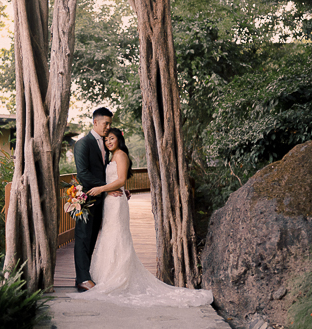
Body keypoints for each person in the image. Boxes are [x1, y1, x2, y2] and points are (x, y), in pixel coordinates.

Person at [70, 127, 213, 307]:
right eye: (107, 140)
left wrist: (102, 189)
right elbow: (115, 181)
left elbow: (121, 180)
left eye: (112, 138)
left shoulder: (121, 155)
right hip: (110, 201)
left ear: (119, 140)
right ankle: (105, 275)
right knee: (108, 235)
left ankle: (119, 276)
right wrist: (115, 189)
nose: (109, 142)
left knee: (117, 235)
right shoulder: (110, 157)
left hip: (116, 202)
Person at [72, 107, 122, 292]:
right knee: (83, 237)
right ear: (95, 122)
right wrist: (107, 188)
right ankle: (82, 279)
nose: (108, 127)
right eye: (105, 123)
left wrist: (117, 187)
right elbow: (83, 174)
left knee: (93, 237)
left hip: (101, 199)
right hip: (87, 198)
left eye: (110, 124)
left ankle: (88, 274)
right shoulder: (83, 144)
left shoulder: (105, 144)